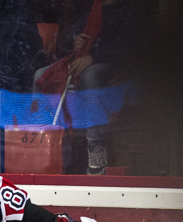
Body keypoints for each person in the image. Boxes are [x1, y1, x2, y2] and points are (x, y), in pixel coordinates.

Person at [32, 0, 141, 175]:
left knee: (90, 75)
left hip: (113, 67)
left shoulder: (128, 12)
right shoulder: (93, 11)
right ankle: (40, 143)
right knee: (40, 75)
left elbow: (129, 49)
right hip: (84, 64)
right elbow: (64, 44)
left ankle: (96, 148)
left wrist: (93, 58)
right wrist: (75, 43)